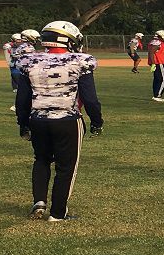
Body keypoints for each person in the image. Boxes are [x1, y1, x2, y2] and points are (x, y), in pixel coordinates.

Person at [16, 21, 103, 222]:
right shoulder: (80, 61)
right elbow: (89, 98)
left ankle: (39, 201)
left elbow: (22, 99)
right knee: (66, 167)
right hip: (67, 119)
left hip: (38, 119)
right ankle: (57, 213)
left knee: (41, 159)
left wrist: (23, 123)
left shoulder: (29, 60)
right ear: (68, 40)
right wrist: (97, 121)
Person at [147, 30, 164, 102]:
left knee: (157, 79)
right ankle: (158, 95)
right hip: (160, 63)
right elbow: (151, 52)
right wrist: (153, 63)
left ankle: (156, 95)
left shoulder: (155, 41)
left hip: (160, 63)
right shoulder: (157, 42)